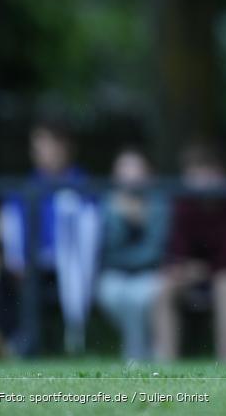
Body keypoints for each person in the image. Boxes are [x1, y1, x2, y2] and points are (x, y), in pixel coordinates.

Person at [0, 119, 99, 355]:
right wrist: (16, 260)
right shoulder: (27, 186)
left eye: (48, 146)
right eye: (37, 147)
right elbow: (12, 228)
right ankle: (9, 342)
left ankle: (71, 343)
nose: (42, 153)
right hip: (32, 267)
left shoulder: (83, 185)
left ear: (65, 147)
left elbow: (90, 238)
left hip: (72, 266)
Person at [152, 142, 226, 362]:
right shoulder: (183, 204)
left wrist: (203, 269)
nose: (200, 180)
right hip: (193, 272)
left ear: (222, 174)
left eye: (206, 172)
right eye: (194, 173)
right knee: (163, 287)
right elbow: (176, 248)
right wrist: (182, 267)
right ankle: (165, 363)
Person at [97, 148, 169, 361]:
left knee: (139, 296)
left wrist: (141, 219)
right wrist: (121, 218)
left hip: (150, 274)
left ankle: (134, 356)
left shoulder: (160, 204)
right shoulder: (106, 205)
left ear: (149, 175)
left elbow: (155, 251)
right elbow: (109, 251)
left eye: (136, 168)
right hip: (115, 274)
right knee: (113, 293)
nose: (130, 175)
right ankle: (140, 353)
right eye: (124, 168)